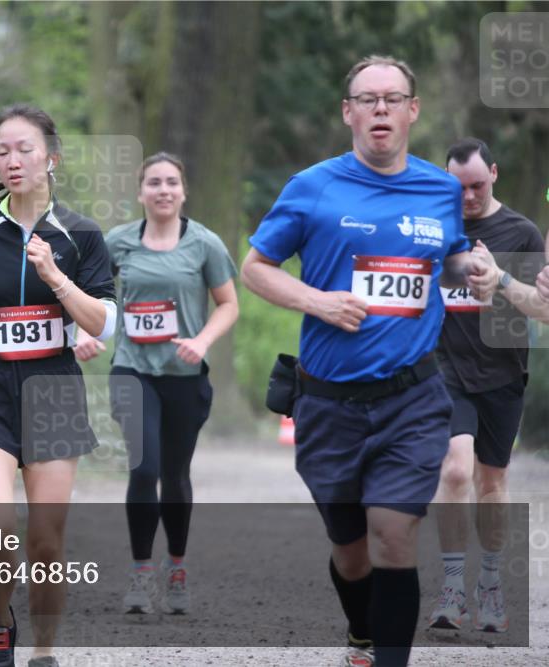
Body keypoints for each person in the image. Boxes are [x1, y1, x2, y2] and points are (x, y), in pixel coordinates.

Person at [240, 55, 496, 667]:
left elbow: (450, 259)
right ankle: (360, 631)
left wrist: (480, 272)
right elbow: (254, 269)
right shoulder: (312, 186)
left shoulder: (440, 188)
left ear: (413, 110)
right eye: (367, 99)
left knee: (394, 533)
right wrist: (317, 302)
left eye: (393, 98)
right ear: (348, 112)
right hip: (327, 399)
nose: (380, 109)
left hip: (411, 396)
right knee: (351, 550)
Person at [0, 104, 116, 667]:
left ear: (51, 158)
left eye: (24, 150)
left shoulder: (80, 233)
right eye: (3, 151)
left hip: (54, 384)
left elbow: (105, 322)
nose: (12, 161)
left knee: (45, 543)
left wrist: (57, 278)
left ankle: (44, 651)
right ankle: (0, 626)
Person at [74, 152, 238, 615]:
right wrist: (88, 334)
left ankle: (178, 567)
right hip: (133, 369)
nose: (163, 190)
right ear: (141, 191)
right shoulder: (119, 242)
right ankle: (142, 574)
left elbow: (228, 303)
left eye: (171, 182)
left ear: (183, 191)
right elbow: (97, 300)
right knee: (144, 469)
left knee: (175, 475)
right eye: (153, 183)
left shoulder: (204, 244)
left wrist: (203, 341)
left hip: (185, 376)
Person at [428, 138, 547, 634]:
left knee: (491, 483)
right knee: (455, 471)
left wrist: (498, 280)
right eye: (459, 188)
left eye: (477, 185)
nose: (469, 196)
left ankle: (491, 583)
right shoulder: (434, 227)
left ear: (494, 174)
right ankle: (453, 587)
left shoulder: (520, 232)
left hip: (501, 372)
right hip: (443, 368)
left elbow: (541, 310)